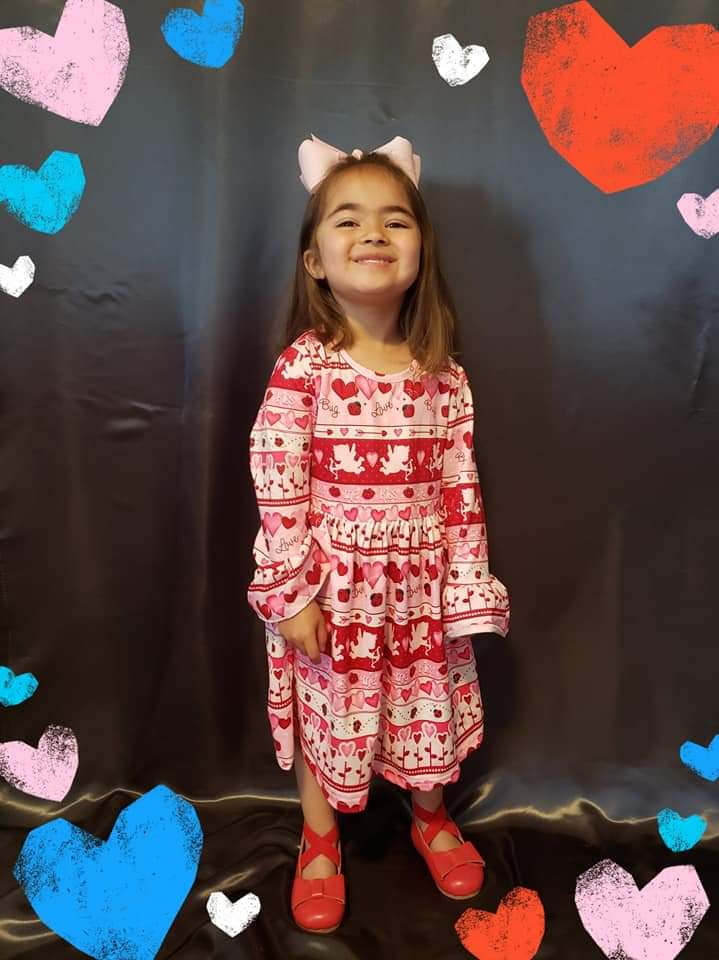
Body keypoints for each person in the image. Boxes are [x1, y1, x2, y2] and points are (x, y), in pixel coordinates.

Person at [247, 133, 510, 934]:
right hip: (334, 592)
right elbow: (275, 473)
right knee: (327, 707)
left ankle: (430, 815)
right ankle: (319, 837)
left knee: (424, 705)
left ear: (420, 251)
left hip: (420, 591)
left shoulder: (445, 376)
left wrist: (464, 587)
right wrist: (293, 592)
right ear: (314, 261)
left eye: (395, 220)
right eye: (349, 220)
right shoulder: (305, 366)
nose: (373, 233)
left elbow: (461, 488)